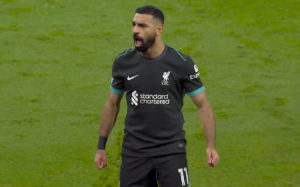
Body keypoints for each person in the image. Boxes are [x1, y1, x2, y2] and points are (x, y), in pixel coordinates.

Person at [94, 5, 219, 187]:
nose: (135, 30)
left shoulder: (181, 63)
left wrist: (211, 146)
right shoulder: (123, 62)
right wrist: (101, 146)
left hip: (170, 151)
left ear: (159, 29)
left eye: (142, 26)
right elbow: (112, 104)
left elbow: (202, 104)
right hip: (134, 152)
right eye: (134, 25)